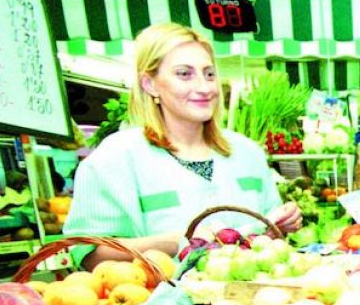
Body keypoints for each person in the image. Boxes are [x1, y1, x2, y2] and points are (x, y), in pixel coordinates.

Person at [65, 22, 301, 268]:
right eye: (184, 74)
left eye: (209, 74)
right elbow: (89, 255)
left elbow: (271, 239)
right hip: (160, 302)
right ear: (150, 84)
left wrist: (282, 224)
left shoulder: (247, 153)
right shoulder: (115, 158)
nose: (204, 87)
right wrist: (174, 242)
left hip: (251, 303)